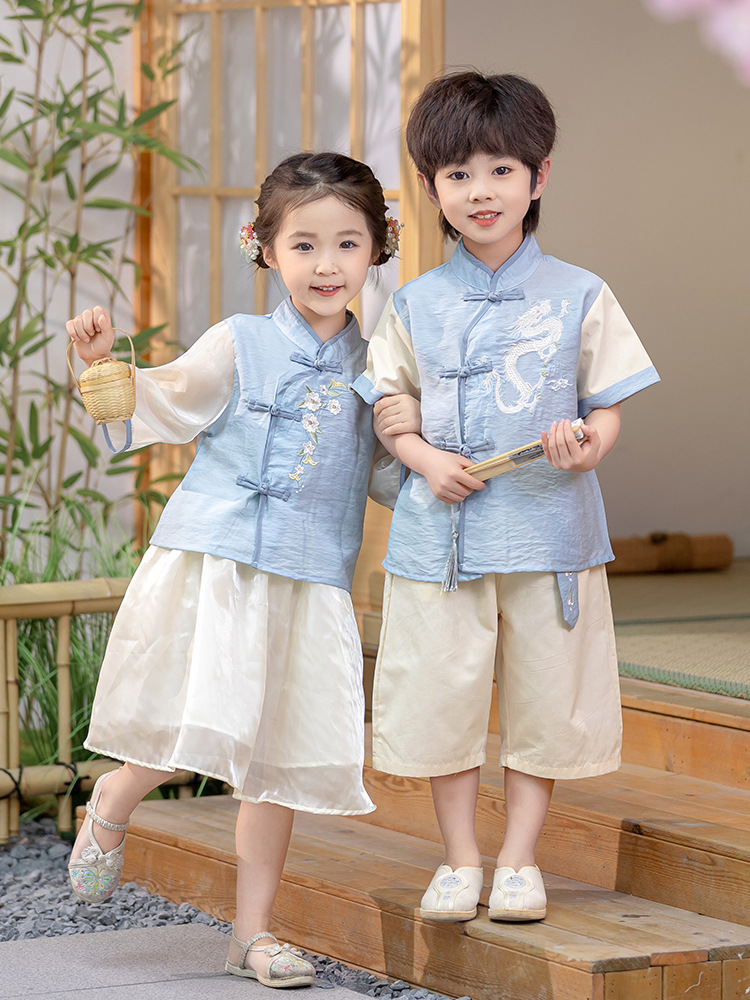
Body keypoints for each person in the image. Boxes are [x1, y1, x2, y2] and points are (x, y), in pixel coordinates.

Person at [66, 152, 417, 987]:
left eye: (347, 244)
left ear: (379, 248)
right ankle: (116, 795)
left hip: (310, 579)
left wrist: (436, 452)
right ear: (263, 246)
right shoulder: (241, 340)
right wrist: (101, 367)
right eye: (304, 245)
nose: (326, 264)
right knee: (196, 723)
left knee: (277, 761)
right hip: (217, 565)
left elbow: (390, 477)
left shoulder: (379, 368)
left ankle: (252, 935)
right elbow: (165, 398)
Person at [356, 72, 660, 924]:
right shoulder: (413, 302)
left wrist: (587, 446)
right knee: (441, 696)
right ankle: (459, 860)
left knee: (546, 699)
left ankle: (520, 861)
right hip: (441, 536)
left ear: (539, 176)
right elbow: (390, 407)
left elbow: (606, 407)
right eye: (458, 175)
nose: (481, 191)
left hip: (549, 529)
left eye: (500, 170)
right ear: (431, 189)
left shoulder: (582, 292)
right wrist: (423, 460)